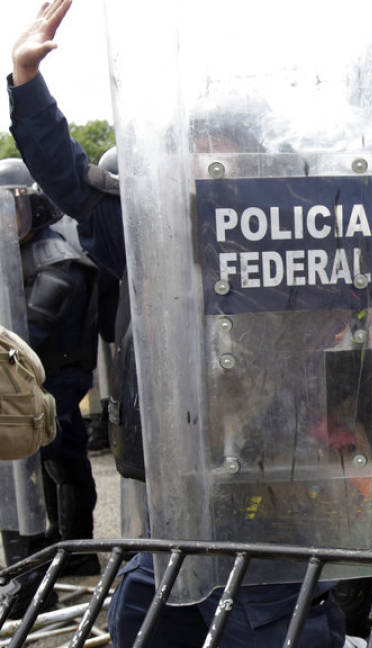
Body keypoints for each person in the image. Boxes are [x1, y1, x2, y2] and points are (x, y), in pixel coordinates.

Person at [8, 2, 352, 645]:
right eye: (196, 159)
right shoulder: (156, 235)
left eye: (223, 160)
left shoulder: (301, 250)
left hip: (273, 504)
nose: (207, 175)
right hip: (176, 508)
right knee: (140, 619)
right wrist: (27, 85)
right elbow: (75, 186)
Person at [15, 176, 101, 576]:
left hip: (58, 377)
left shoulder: (55, 258)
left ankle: (73, 549)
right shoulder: (27, 250)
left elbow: (32, 328)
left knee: (55, 462)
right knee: (54, 462)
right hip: (43, 376)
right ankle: (62, 544)